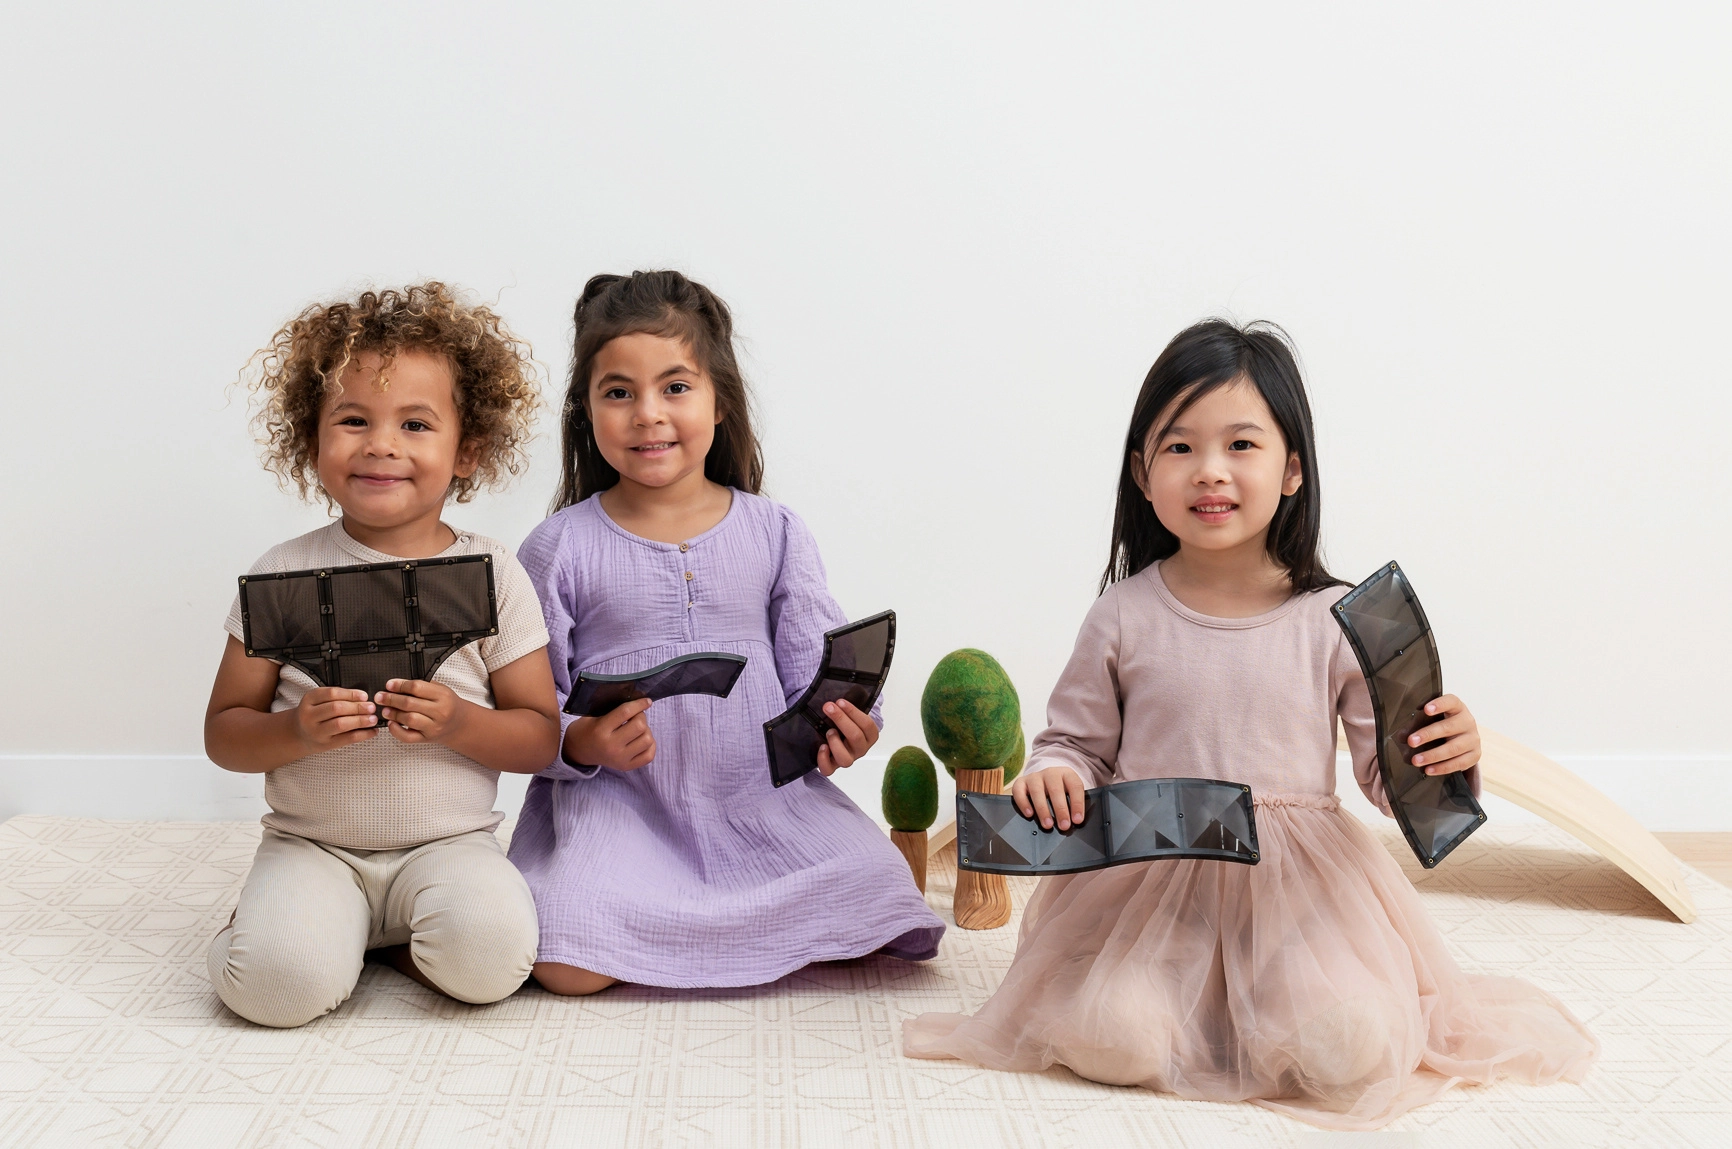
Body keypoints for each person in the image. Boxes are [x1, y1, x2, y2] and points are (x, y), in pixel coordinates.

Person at [903, 319, 1597, 1129]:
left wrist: (1446, 752)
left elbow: (1385, 779)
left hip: (1301, 898)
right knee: (1115, 1035)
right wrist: (1055, 772)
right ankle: (1180, 1005)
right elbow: (1076, 744)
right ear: (1143, 472)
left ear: (1292, 467)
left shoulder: (1336, 618)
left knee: (1352, 1046)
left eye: (1241, 444)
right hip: (1153, 891)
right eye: (1180, 447)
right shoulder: (1123, 614)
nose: (1210, 470)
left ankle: (1263, 1000)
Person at [509, 270, 944, 994]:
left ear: (720, 400)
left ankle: (737, 921)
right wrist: (580, 741)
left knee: (878, 888)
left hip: (764, 805)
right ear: (585, 409)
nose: (648, 414)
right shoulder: (558, 546)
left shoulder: (774, 530)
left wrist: (848, 726)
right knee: (564, 959)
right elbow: (524, 706)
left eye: (676, 387)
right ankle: (700, 928)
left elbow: (815, 670)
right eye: (618, 392)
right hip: (622, 810)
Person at [205, 284, 557, 1027]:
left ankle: (380, 938)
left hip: (449, 844)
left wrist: (460, 722)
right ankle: (274, 926)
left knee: (493, 964)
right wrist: (295, 729)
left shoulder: (495, 573)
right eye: (353, 419)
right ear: (313, 441)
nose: (381, 444)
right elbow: (224, 734)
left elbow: (539, 736)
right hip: (314, 846)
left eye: (416, 423)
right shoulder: (282, 573)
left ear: (468, 450)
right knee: (274, 990)